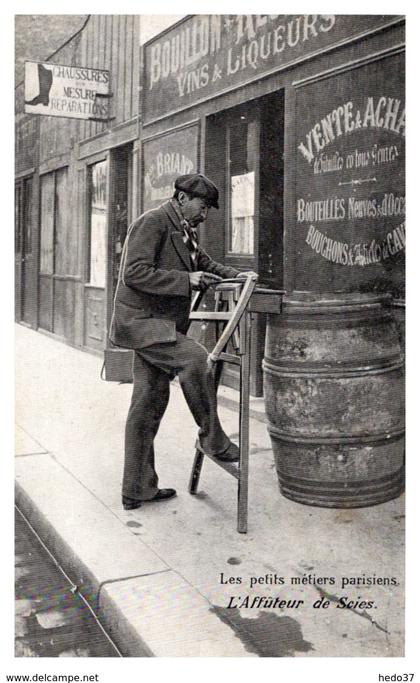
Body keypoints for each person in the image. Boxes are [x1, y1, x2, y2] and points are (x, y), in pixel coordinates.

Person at [110, 173, 257, 510]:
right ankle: (213, 437)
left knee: (147, 407)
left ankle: (137, 489)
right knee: (196, 360)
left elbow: (201, 262)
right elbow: (133, 272)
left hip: (158, 325)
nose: (205, 214)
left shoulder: (183, 229)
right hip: (143, 324)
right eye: (203, 206)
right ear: (181, 199)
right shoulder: (153, 222)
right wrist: (186, 280)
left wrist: (235, 275)